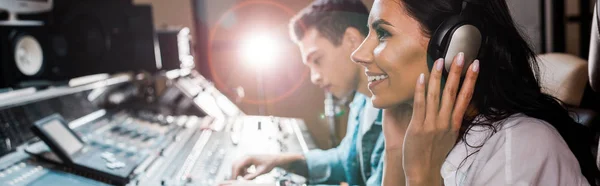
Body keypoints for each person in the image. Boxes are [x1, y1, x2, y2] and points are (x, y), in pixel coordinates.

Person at [351, 0, 600, 185]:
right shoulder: (427, 138)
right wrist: (395, 151)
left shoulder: (520, 148)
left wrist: (421, 178)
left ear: (455, 44)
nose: (358, 54)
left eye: (383, 33)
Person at [229, 0, 387, 185]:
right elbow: (346, 161)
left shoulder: (399, 108)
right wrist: (280, 161)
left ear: (352, 41)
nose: (314, 78)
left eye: (317, 60)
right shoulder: (362, 99)